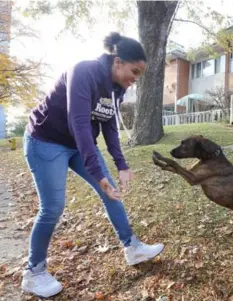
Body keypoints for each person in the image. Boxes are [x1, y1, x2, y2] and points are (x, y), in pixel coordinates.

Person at [21, 32, 165, 298]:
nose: (134, 80)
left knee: (111, 192)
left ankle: (131, 246)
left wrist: (121, 164)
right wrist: (98, 173)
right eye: (134, 71)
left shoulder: (116, 89)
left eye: (139, 76)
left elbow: (108, 124)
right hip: (45, 140)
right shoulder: (83, 72)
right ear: (118, 61)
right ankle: (34, 272)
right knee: (52, 207)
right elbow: (79, 124)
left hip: (77, 144)